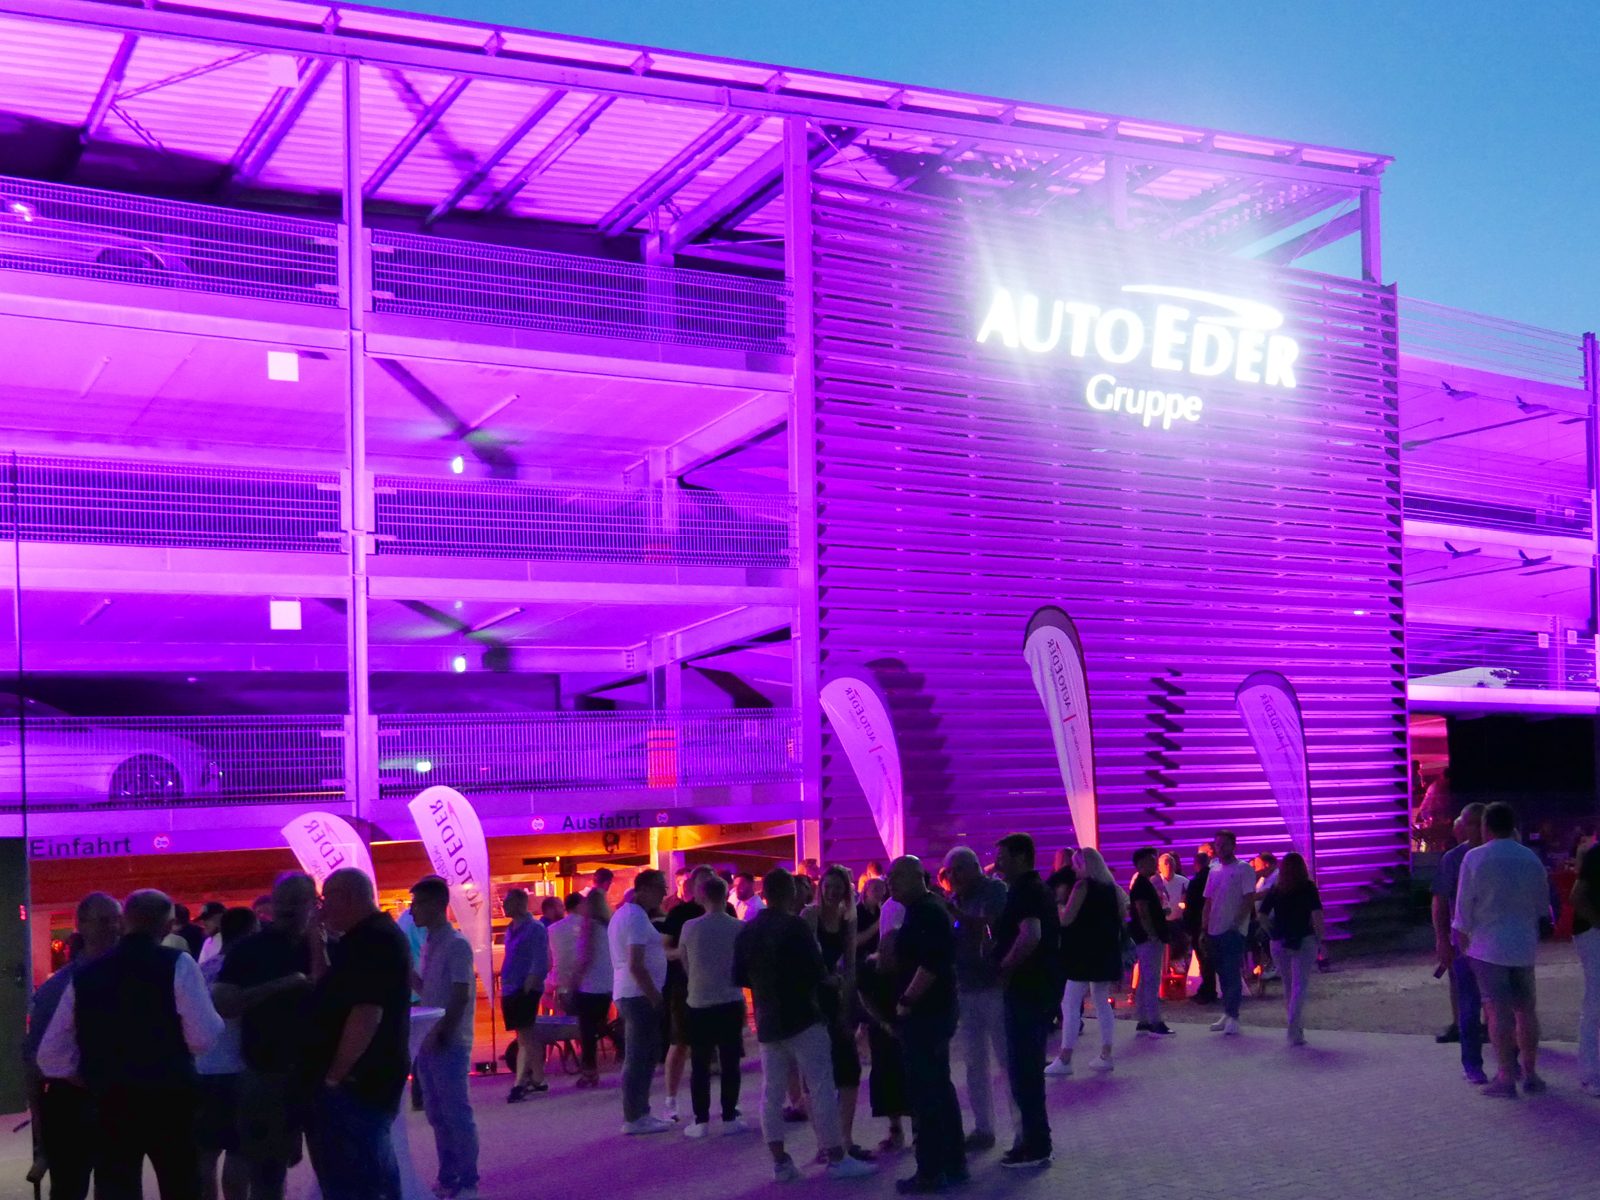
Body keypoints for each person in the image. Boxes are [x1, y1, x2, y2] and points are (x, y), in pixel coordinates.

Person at [37, 889, 224, 1200]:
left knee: (117, 1186)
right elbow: (203, 1036)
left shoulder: (85, 975)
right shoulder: (178, 963)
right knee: (180, 1183)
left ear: (124, 921)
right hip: (171, 1097)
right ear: (167, 926)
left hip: (110, 1101)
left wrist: (87, 1073)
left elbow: (50, 1055)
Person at [734, 868, 874, 1183]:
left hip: (769, 1020)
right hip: (803, 1016)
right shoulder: (795, 926)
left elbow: (739, 975)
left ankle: (780, 1160)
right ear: (790, 893)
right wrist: (835, 981)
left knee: (772, 1091)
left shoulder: (749, 930)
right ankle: (837, 1157)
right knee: (821, 1085)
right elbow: (817, 971)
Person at [302, 868, 412, 1200]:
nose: (322, 907)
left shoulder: (372, 940)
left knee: (356, 1177)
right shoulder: (362, 938)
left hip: (357, 1081)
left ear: (347, 896)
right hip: (363, 1078)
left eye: (327, 898)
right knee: (368, 1169)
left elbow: (367, 1013)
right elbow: (329, 987)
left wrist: (336, 1075)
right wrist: (316, 940)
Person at [213, 872, 318, 1200]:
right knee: (267, 1171)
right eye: (283, 901)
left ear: (313, 904)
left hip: (323, 1073)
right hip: (267, 1071)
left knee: (339, 1164)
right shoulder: (249, 949)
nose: (289, 908)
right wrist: (284, 984)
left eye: (296, 902)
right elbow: (224, 1003)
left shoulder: (329, 945)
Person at [26, 893, 121, 1200]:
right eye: (105, 921)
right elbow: (36, 1059)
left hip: (116, 1097)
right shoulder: (60, 987)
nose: (115, 928)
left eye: (118, 921)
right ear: (81, 925)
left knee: (115, 1184)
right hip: (72, 1101)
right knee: (71, 1185)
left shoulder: (127, 978)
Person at [1453, 801, 1552, 1097]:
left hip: (1488, 945)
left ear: (1486, 826)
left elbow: (1463, 907)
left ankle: (1506, 1076)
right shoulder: (1530, 859)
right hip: (1522, 944)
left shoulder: (1475, 858)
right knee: (1526, 1010)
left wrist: (1461, 938)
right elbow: (1541, 905)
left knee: (1497, 1012)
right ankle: (1531, 1072)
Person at [884, 856, 965, 1194]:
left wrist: (906, 1000)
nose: (891, 885)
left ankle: (931, 1169)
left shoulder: (927, 911)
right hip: (934, 1012)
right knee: (938, 1088)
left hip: (926, 1014)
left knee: (926, 1092)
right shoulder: (927, 909)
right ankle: (951, 1162)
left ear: (918, 877)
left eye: (897, 878)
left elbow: (931, 963)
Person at [990, 833, 1058, 1170]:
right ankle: (1034, 1141)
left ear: (1020, 857)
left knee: (1024, 1070)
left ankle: (1035, 1144)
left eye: (1001, 856)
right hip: (1035, 989)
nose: (996, 862)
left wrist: (1004, 966)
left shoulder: (1026, 891)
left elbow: (1030, 934)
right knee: (1025, 1069)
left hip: (1027, 990)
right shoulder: (1034, 888)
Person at [409, 876, 480, 1197]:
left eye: (418, 903)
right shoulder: (431, 943)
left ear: (438, 905)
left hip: (448, 1039)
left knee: (455, 1111)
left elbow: (461, 993)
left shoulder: (456, 944)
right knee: (437, 1113)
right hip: (430, 1037)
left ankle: (468, 1179)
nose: (412, 911)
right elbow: (429, 991)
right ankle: (449, 1175)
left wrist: (444, 1032)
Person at [941, 846, 1010, 1156]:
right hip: (967, 988)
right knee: (974, 1063)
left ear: (973, 867)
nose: (953, 877)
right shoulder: (955, 899)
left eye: (957, 870)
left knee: (1007, 1059)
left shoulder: (993, 889)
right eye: (949, 872)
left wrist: (954, 913)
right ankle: (984, 1128)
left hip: (995, 986)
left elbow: (987, 925)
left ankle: (1022, 1129)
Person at [802, 865, 870, 1160]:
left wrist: (849, 1002)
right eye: (827, 887)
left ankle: (844, 1138)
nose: (832, 892)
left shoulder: (847, 918)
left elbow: (852, 963)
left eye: (837, 888)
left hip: (838, 996)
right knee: (816, 1073)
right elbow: (803, 960)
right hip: (812, 998)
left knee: (848, 1070)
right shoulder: (810, 916)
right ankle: (822, 1143)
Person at [679, 874, 750, 1137]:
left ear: (702, 896)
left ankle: (701, 1120)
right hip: (730, 999)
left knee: (700, 1062)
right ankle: (730, 1115)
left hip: (699, 1000)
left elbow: (685, 962)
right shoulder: (738, 927)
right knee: (730, 1061)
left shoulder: (689, 927)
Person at [197, 908, 259, 1200]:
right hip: (240, 1070)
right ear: (251, 933)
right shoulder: (250, 969)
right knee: (239, 1152)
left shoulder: (203, 968)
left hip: (203, 1069)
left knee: (204, 1157)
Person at [1047, 848, 1124, 1075]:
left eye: (1076, 864)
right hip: (1105, 952)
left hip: (1082, 953)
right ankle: (1106, 1054)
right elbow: (1120, 917)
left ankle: (1065, 1058)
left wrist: (1060, 905)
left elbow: (1067, 919)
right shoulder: (1112, 888)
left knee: (1069, 1003)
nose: (1073, 868)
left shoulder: (1082, 886)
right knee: (1101, 1002)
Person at [610, 868, 672, 1134]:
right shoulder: (635, 917)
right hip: (638, 994)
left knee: (643, 1054)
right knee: (639, 1056)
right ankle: (635, 1115)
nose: (664, 893)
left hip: (631, 992)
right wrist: (654, 995)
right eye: (660, 887)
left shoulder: (626, 914)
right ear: (643, 889)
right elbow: (636, 963)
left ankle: (640, 1111)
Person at [1432, 804, 1489, 1082]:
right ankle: (1473, 1064)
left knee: (1499, 1003)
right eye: (1471, 824)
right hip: (1465, 941)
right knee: (1468, 1001)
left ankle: (1505, 1059)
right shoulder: (1454, 858)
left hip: (1491, 940)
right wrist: (1442, 939)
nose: (1476, 830)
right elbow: (1441, 901)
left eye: (1480, 823)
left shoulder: (1495, 855)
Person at [659, 865, 714, 1121]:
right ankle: (671, 1100)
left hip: (715, 986)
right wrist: (685, 953)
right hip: (684, 986)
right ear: (693, 886)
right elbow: (664, 949)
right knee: (679, 1043)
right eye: (702, 883)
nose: (706, 888)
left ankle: (723, 1105)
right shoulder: (680, 914)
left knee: (714, 1046)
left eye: (711, 882)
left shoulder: (727, 911)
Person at [1258, 853, 1324, 1046]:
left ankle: (1295, 1028)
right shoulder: (1308, 888)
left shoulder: (1276, 888)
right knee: (1299, 987)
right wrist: (1321, 940)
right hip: (1303, 938)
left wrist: (1271, 931)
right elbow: (1317, 915)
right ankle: (1294, 1027)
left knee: (1288, 986)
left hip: (1279, 940)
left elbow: (1262, 914)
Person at [1201, 830, 1257, 1034]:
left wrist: (1237, 923)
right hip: (1214, 929)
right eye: (1217, 844)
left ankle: (1234, 1015)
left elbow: (1248, 897)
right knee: (1222, 973)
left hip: (1232, 929)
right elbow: (1208, 900)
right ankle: (1227, 1011)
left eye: (1225, 844)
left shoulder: (1244, 869)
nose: (1221, 848)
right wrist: (1204, 926)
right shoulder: (1213, 870)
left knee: (1232, 972)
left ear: (1234, 845)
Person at [500, 888, 551, 1103]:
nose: (504, 906)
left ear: (520, 904)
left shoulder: (535, 929)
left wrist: (529, 984)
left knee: (525, 1035)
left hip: (525, 988)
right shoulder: (511, 929)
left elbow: (541, 959)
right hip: (511, 987)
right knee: (525, 1035)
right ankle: (538, 1078)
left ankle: (520, 1082)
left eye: (508, 902)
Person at [563, 887, 614, 1090]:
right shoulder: (608, 926)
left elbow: (585, 956)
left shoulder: (589, 926)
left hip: (590, 985)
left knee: (587, 1031)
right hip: (607, 984)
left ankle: (589, 1072)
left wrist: (573, 981)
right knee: (600, 1026)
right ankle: (618, 1048)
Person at [1128, 847, 1174, 1038]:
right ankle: (1155, 1021)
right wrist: (1152, 933)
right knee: (1151, 979)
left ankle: (1144, 1020)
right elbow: (1142, 911)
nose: (1155, 864)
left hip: (1145, 937)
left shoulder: (1142, 883)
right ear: (1140, 863)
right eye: (1150, 860)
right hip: (1149, 938)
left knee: (1146, 979)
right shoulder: (1142, 885)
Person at [1570, 843, 1600, 1097]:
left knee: (1595, 1000)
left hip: (1591, 930)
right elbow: (1577, 896)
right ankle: (1590, 1073)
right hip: (1593, 933)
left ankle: (1591, 1072)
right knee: (1595, 1000)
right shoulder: (1596, 854)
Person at [1185, 845, 1215, 1003]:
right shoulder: (1213, 877)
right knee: (1209, 958)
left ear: (1196, 864)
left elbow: (1191, 905)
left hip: (1199, 924)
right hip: (1215, 922)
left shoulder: (1196, 882)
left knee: (1204, 958)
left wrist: (1188, 926)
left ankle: (1208, 990)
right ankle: (1209, 988)